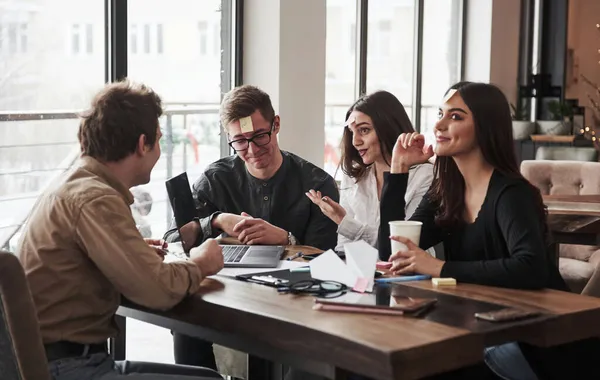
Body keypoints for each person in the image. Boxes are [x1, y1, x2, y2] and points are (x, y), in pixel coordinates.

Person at [378, 81, 600, 379]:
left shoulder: (512, 193)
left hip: (538, 342)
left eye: (455, 117)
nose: (439, 125)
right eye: (441, 114)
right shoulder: (445, 190)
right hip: (480, 325)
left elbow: (529, 267)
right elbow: (391, 252)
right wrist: (398, 171)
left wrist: (440, 267)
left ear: (485, 127)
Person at [17, 80, 224, 380]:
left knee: (208, 377)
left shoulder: (76, 185)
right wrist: (202, 263)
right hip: (68, 369)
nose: (159, 149)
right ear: (143, 144)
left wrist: (133, 254)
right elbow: (159, 290)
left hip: (57, 362)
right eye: (159, 139)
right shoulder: (96, 199)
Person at [164, 84, 339, 369]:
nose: (253, 149)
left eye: (259, 136)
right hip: (227, 295)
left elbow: (327, 264)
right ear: (228, 138)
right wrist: (217, 220)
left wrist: (286, 238)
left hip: (290, 303)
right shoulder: (216, 179)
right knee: (185, 324)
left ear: (276, 124)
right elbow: (172, 241)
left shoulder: (316, 184)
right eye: (240, 141)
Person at [306, 91, 433, 252]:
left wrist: (344, 222)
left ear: (388, 127)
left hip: (409, 273)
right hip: (362, 273)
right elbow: (344, 247)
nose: (355, 141)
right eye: (352, 132)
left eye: (364, 130)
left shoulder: (424, 176)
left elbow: (399, 245)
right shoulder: (353, 176)